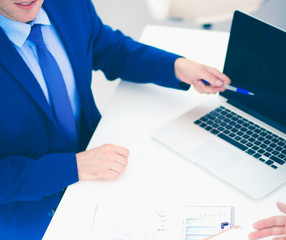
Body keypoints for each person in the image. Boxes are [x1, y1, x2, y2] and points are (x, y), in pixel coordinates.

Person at [0, 0, 230, 239]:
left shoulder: (67, 4)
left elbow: (110, 50)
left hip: (100, 163)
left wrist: (177, 66)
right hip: (26, 208)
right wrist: (74, 167)